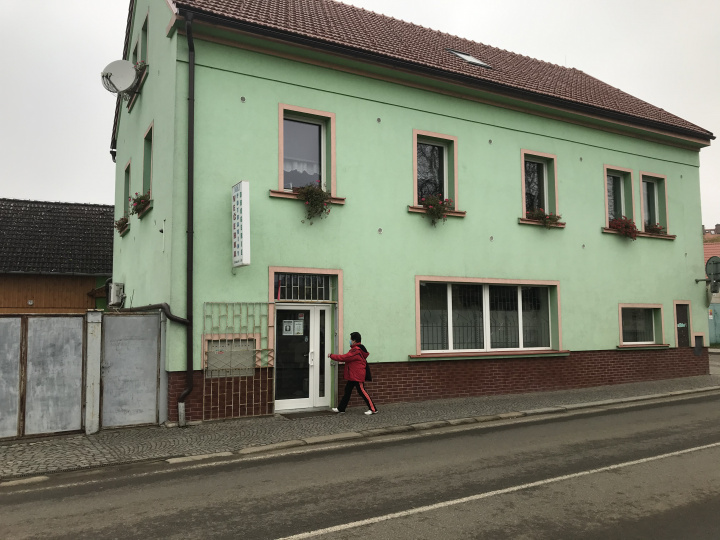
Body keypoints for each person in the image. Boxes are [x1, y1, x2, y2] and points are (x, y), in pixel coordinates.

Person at [328, 331, 378, 415]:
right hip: (353, 375)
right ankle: (341, 408)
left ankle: (373, 409)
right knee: (347, 391)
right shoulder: (356, 349)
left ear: (354, 340)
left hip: (357, 375)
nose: (350, 341)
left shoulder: (356, 350)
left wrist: (331, 356)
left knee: (362, 392)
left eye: (351, 339)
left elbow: (344, 357)